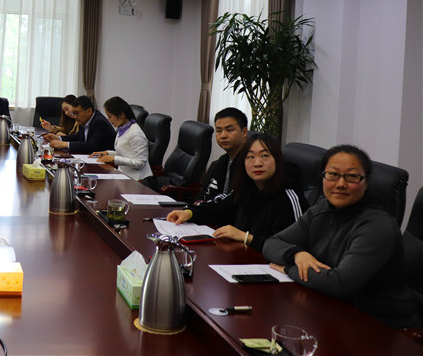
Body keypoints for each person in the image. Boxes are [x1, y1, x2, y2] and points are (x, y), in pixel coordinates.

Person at [264, 145, 421, 329]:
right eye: (333, 174)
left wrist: (288, 268)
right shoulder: (322, 210)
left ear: (366, 182)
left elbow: (340, 284)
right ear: (323, 177)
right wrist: (297, 255)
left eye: (352, 176)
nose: (340, 184)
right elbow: (272, 243)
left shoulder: (378, 226)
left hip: (383, 327)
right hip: (334, 312)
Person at [166, 134, 306, 252]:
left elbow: (292, 247)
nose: (257, 163)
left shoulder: (289, 198)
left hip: (271, 269)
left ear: (278, 160)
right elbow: (218, 208)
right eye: (250, 157)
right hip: (242, 257)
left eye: (265, 156)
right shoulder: (247, 188)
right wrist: (190, 213)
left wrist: (246, 238)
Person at [90, 96, 150, 180]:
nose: (109, 120)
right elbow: (126, 154)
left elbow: (140, 163)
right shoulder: (122, 128)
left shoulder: (136, 133)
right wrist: (107, 153)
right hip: (124, 174)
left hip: (137, 179)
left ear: (121, 115)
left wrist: (114, 159)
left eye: (110, 116)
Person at [197, 108, 249, 203]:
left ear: (244, 132)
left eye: (229, 130)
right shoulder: (218, 164)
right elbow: (204, 197)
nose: (223, 135)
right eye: (219, 131)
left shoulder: (251, 166)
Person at [44, 95, 115, 154]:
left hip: (106, 162)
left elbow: (92, 146)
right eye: (73, 113)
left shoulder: (99, 122)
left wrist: (65, 144)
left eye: (76, 113)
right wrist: (59, 138)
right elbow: (78, 137)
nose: (75, 117)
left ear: (89, 111)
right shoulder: (85, 120)